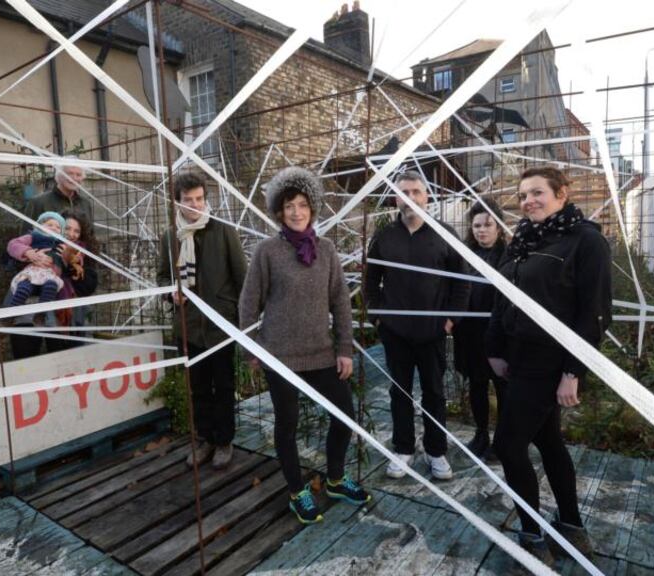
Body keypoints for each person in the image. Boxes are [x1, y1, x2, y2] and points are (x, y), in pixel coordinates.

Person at [485, 167, 611, 564]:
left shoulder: (586, 241)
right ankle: (572, 527)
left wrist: (573, 371)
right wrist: (495, 348)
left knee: (508, 444)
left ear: (562, 194)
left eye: (537, 193)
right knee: (547, 440)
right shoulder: (523, 239)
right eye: (523, 195)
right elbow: (501, 296)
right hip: (516, 358)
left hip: (549, 360)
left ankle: (532, 538)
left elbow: (594, 313)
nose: (528, 201)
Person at [239, 166, 369, 524]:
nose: (296, 212)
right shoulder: (267, 252)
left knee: (344, 417)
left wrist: (344, 349)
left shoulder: (326, 251)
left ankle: (336, 480)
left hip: (321, 354)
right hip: (280, 356)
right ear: (279, 212)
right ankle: (298, 492)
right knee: (288, 425)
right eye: (289, 206)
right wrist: (251, 347)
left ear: (313, 208)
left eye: (302, 205)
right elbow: (249, 303)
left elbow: (341, 302)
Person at [364, 171, 469, 481]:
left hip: (432, 332)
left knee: (435, 393)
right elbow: (372, 279)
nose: (410, 197)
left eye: (416, 191)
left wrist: (451, 319)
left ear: (427, 197)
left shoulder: (444, 234)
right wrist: (377, 316)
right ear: (396, 198)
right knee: (399, 392)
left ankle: (436, 452)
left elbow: (461, 283)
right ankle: (403, 448)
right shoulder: (385, 236)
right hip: (395, 332)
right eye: (404, 192)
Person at [159, 172, 247, 470]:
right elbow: (162, 277)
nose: (194, 205)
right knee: (197, 387)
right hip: (189, 327)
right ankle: (204, 439)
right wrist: (171, 294)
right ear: (177, 202)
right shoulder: (171, 236)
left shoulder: (223, 231)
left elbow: (241, 278)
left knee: (223, 385)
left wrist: (235, 316)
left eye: (199, 198)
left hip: (220, 325)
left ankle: (224, 441)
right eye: (188, 200)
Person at [455, 198, 508, 459]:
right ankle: (480, 433)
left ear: (498, 227)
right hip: (470, 333)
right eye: (476, 225)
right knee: (476, 384)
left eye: (487, 225)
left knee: (502, 387)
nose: (481, 230)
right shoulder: (465, 254)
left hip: (499, 335)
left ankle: (502, 439)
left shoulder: (508, 257)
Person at [7, 212, 98, 358]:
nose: (71, 234)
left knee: (64, 359)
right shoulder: (36, 242)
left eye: (77, 231)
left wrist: (69, 265)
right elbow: (10, 255)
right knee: (26, 358)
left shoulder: (82, 253)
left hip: (66, 318)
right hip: (28, 315)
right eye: (67, 228)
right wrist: (29, 256)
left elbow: (89, 285)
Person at [5, 211, 67, 307]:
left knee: (51, 286)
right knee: (23, 287)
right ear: (39, 226)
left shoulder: (61, 244)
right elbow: (12, 244)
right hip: (31, 272)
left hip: (50, 275)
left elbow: (73, 257)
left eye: (58, 227)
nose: (54, 228)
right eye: (49, 224)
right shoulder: (32, 236)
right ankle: (12, 313)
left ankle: (41, 313)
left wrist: (69, 256)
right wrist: (27, 252)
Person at [23, 161, 94, 228]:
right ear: (58, 175)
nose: (74, 178)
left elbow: (90, 234)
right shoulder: (38, 202)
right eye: (69, 174)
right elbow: (26, 235)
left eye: (78, 175)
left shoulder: (85, 203)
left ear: (82, 178)